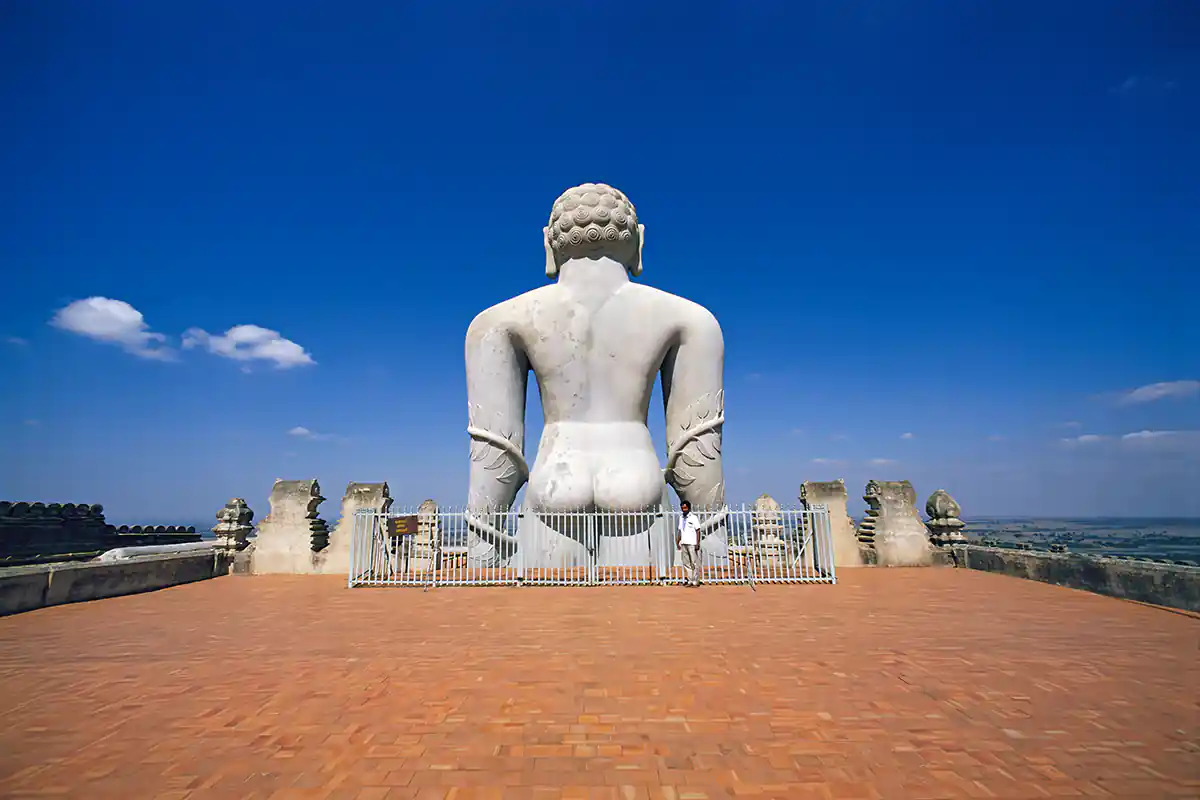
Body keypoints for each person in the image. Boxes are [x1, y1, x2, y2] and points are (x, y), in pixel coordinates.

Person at [676, 501, 701, 587]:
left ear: (689, 508)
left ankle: (695, 580)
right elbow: (680, 530)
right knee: (686, 563)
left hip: (692, 543)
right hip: (684, 542)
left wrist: (697, 543)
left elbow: (698, 530)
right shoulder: (681, 518)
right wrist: (678, 541)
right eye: (682, 508)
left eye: (685, 508)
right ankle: (690, 580)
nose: (684, 510)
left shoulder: (693, 518)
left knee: (694, 562)